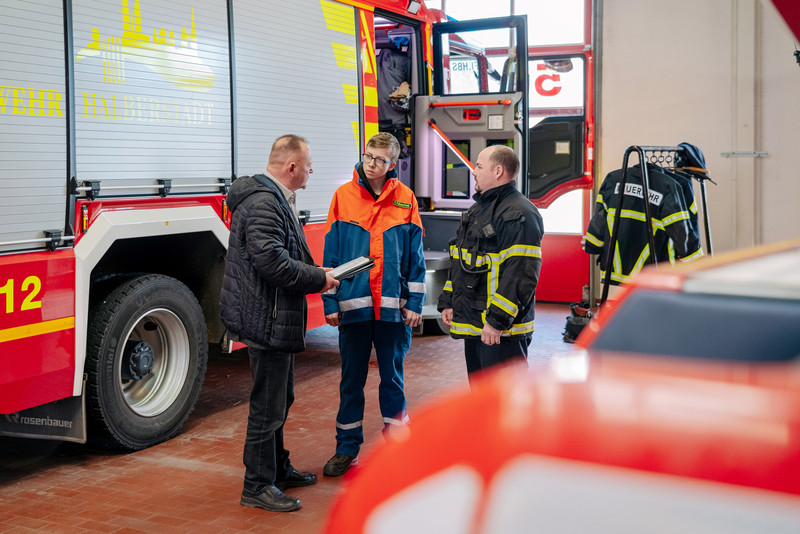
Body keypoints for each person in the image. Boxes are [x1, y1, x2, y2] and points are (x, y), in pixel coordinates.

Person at [219, 134, 339, 513]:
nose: (310, 170)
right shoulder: (264, 204)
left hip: (270, 315)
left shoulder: (269, 200)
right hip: (266, 318)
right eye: (307, 164)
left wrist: (316, 273)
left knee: (279, 397)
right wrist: (319, 279)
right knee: (267, 405)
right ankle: (257, 485)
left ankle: (276, 466)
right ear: (291, 167)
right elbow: (272, 263)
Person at [321, 132, 426, 477]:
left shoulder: (405, 199)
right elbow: (332, 255)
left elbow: (415, 258)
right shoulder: (343, 196)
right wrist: (330, 300)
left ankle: (399, 449)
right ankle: (346, 449)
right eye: (369, 156)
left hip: (394, 311)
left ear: (392, 164)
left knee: (392, 380)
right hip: (352, 305)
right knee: (351, 380)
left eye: (380, 159)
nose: (372, 163)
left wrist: (415, 302)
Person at [437, 145, 544, 384]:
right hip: (476, 326)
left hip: (501, 333)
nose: (473, 172)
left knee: (506, 405)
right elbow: (461, 262)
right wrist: (448, 302)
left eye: (479, 165)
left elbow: (520, 274)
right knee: (482, 402)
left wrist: (496, 323)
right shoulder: (479, 210)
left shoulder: (520, 213)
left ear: (498, 171)